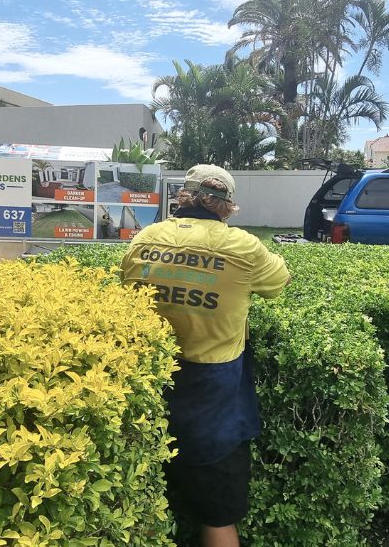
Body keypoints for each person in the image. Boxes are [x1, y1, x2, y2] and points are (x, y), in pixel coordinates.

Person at [120, 164, 290, 547]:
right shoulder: (243, 247)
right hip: (213, 395)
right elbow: (280, 283)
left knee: (144, 501)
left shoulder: (144, 238)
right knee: (218, 517)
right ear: (227, 206)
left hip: (148, 383)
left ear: (183, 196)